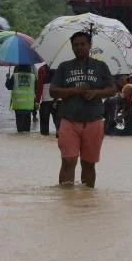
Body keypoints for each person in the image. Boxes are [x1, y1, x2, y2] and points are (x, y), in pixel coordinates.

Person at [49, 31, 117, 187]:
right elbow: (53, 91)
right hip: (69, 121)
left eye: (83, 44)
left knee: (88, 164)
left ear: (89, 46)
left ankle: (86, 202)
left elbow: (112, 89)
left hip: (94, 122)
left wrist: (96, 92)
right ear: (72, 47)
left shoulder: (100, 66)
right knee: (68, 161)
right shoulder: (64, 67)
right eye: (75, 45)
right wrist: (75, 91)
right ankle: (67, 200)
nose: (79, 47)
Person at [5, 64, 36, 132]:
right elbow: (36, 88)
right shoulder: (33, 77)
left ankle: (20, 140)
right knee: (27, 128)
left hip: (18, 104)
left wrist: (7, 78)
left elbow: (8, 86)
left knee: (20, 129)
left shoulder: (15, 76)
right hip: (28, 105)